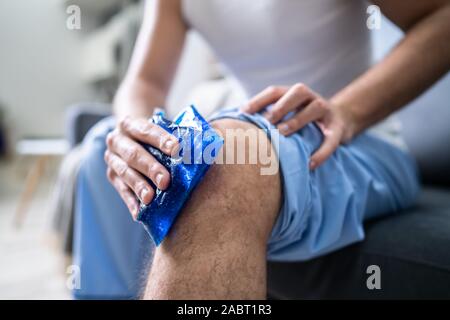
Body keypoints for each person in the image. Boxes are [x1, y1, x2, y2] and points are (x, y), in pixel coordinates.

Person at [73, 0, 450, 299]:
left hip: (357, 143)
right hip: (263, 128)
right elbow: (145, 80)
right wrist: (136, 133)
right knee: (100, 151)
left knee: (226, 162)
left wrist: (348, 110)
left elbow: (441, 18)